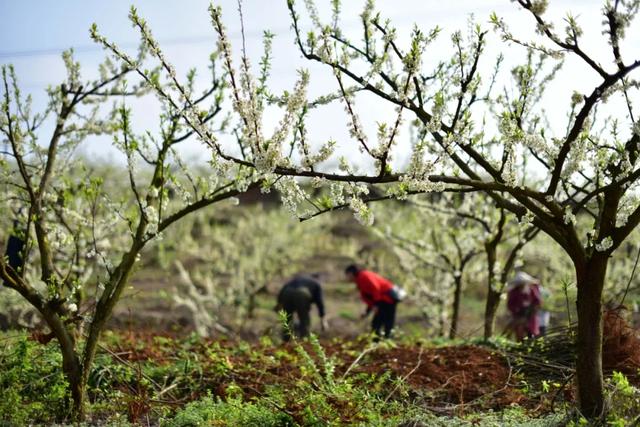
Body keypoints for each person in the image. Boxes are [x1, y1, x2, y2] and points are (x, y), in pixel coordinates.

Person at [345, 264, 398, 339]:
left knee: (381, 323)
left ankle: (383, 341)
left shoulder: (364, 276)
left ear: (351, 273)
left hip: (387, 299)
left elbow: (375, 288)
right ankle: (382, 341)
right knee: (378, 324)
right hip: (383, 301)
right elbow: (370, 297)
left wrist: (376, 305)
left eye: (347, 275)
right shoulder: (359, 280)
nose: (347, 277)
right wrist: (367, 312)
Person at [275, 274, 327, 341]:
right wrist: (323, 321)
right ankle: (304, 341)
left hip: (287, 293)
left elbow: (284, 288)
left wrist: (279, 303)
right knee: (304, 320)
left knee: (287, 320)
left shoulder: (299, 278)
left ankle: (285, 342)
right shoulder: (316, 283)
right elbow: (320, 303)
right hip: (301, 294)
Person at [506, 271, 542, 341]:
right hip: (518, 315)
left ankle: (531, 342)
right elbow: (510, 304)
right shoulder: (514, 291)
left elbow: (537, 301)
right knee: (519, 331)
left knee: (532, 331)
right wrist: (517, 309)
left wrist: (532, 308)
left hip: (531, 314)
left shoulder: (531, 290)